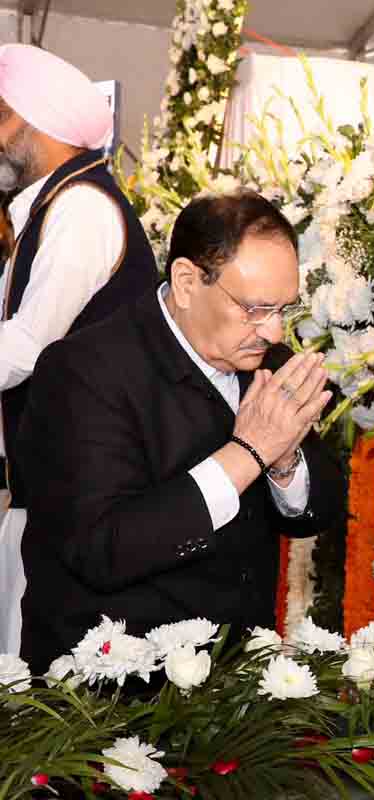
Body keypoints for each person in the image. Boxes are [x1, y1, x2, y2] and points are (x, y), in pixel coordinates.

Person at [17, 190, 346, 674]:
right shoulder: (84, 371)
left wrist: (284, 462)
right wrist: (247, 453)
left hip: (237, 682)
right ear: (188, 282)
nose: (275, 333)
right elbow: (102, 549)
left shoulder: (262, 361)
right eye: (256, 309)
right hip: (111, 692)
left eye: (284, 310)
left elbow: (317, 510)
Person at [0, 44, 158, 654]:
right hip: (44, 488)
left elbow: (26, 349)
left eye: (2, 117)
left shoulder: (82, 209)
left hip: (83, 492)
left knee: (39, 673)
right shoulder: (51, 207)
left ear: (36, 122)